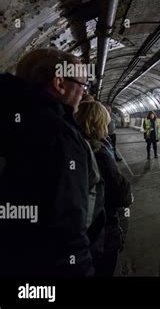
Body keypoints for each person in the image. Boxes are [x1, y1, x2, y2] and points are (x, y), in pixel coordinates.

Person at [0, 48, 104, 277]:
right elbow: (66, 232)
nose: (83, 93)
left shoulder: (13, 118)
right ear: (60, 83)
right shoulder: (59, 136)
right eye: (82, 85)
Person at [75, 102, 133, 276]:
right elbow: (121, 194)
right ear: (100, 123)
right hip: (102, 229)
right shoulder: (100, 153)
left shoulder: (75, 144)